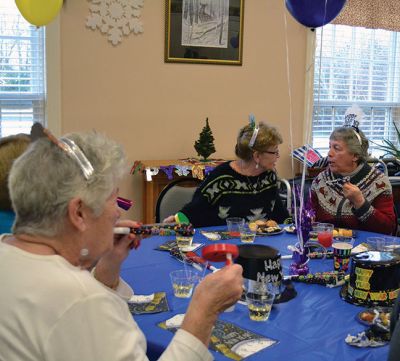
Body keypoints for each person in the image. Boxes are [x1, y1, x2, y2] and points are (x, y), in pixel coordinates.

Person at [0, 130, 243, 361]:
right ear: (78, 213)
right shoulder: (81, 300)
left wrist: (107, 271)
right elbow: (75, 308)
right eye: (112, 199)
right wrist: (204, 311)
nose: (118, 212)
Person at [164, 121, 289, 227]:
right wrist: (178, 220)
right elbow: (194, 210)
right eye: (275, 152)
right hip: (225, 247)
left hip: (261, 248)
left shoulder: (269, 177)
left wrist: (295, 226)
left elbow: (280, 215)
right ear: (256, 156)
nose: (278, 156)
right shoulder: (221, 178)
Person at [311, 125, 397, 235]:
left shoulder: (379, 182)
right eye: (329, 147)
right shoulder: (320, 180)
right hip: (325, 247)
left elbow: (388, 228)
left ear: (355, 156)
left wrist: (360, 203)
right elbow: (310, 217)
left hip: (365, 248)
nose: (329, 153)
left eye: (336, 148)